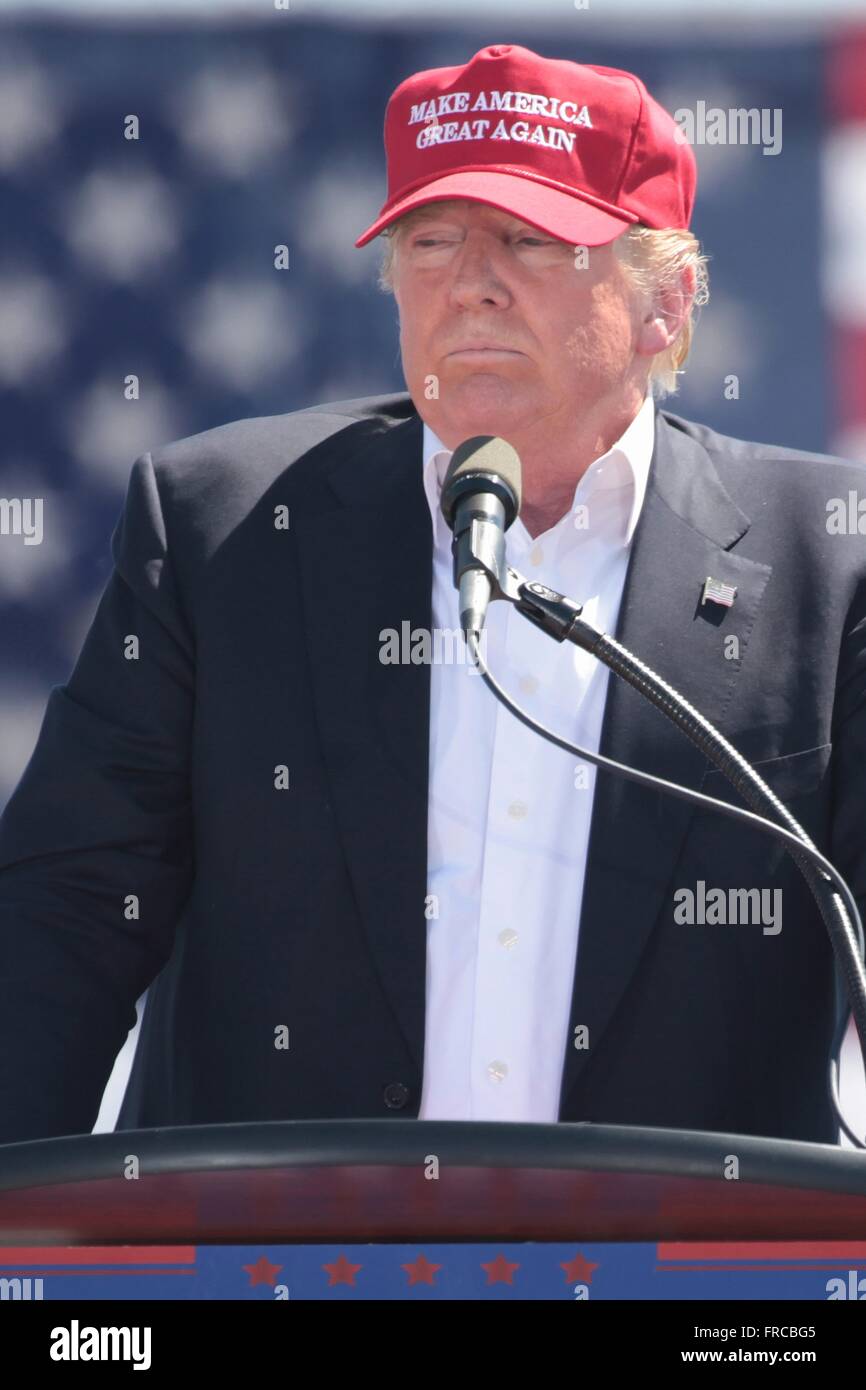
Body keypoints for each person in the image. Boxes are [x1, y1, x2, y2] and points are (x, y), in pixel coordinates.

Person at [1, 43, 864, 1146]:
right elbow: (61, 918)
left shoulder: (826, 566)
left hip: (689, 1289)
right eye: (430, 240)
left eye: (529, 240)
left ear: (667, 300)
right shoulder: (223, 529)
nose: (470, 281)